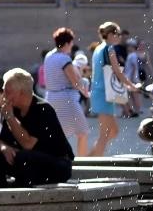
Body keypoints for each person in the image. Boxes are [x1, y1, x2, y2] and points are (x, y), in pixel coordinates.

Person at [0, 69, 74, 188]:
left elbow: (28, 144)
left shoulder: (43, 110)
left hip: (56, 164)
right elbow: (0, 141)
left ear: (21, 93)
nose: (4, 96)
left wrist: (10, 118)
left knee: (24, 157)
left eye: (8, 92)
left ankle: (24, 196)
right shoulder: (13, 109)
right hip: (27, 161)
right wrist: (4, 148)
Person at [88, 22, 138, 157]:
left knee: (113, 132)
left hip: (101, 93)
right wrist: (131, 85)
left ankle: (88, 159)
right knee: (105, 135)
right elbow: (117, 70)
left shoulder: (99, 48)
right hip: (104, 94)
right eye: (118, 34)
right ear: (110, 35)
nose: (120, 37)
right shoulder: (109, 49)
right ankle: (94, 165)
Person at [43, 28, 91, 156]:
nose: (71, 46)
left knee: (58, 133)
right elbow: (75, 82)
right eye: (71, 43)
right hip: (66, 99)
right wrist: (86, 92)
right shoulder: (64, 59)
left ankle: (57, 158)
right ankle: (83, 163)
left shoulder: (49, 56)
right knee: (82, 132)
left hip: (51, 98)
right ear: (67, 43)